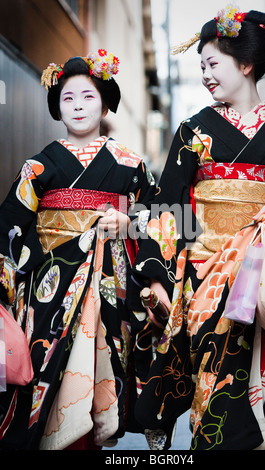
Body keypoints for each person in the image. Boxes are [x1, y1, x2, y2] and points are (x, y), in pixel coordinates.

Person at [131, 5, 265, 450]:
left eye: (213, 63)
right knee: (215, 384)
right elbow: (169, 207)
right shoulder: (193, 130)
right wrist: (157, 275)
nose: (205, 74)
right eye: (200, 65)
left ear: (246, 64)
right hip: (205, 275)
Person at [0, 49, 157, 450]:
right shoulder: (39, 165)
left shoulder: (129, 163)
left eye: (88, 96)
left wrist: (128, 223)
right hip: (49, 291)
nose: (78, 106)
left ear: (105, 102)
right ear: (57, 107)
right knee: (50, 384)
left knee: (98, 384)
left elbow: (161, 217)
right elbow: (10, 227)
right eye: (68, 98)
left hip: (108, 290)